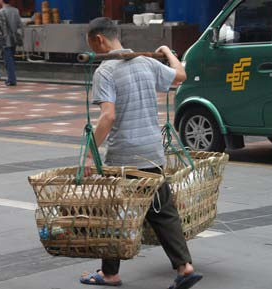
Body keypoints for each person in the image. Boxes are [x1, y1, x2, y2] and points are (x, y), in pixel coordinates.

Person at [79, 17, 203, 289]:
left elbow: (107, 116)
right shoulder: (147, 63)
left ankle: (110, 274)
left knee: (114, 214)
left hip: (124, 158)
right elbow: (180, 75)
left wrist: (90, 154)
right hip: (152, 153)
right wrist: (168, 52)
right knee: (163, 212)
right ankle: (184, 267)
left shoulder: (106, 71)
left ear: (99, 39)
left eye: (90, 41)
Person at [0, 0, 24, 86]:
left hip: (5, 40)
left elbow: (0, 27)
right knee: (10, 59)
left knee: (8, 60)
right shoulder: (15, 11)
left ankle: (12, 80)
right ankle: (10, 78)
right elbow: (20, 25)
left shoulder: (0, 12)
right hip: (14, 39)